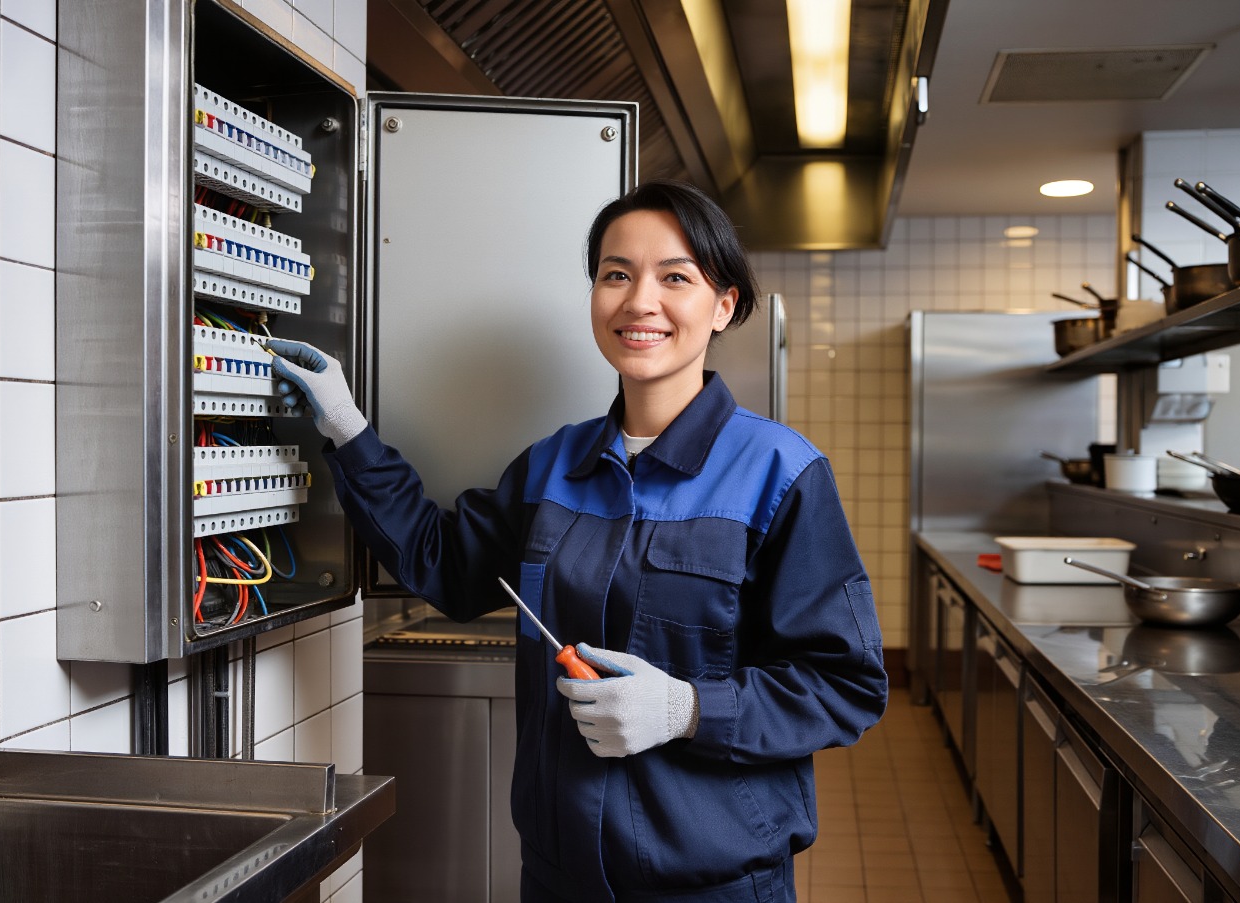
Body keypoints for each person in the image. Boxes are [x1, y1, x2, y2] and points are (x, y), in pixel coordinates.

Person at [268, 180, 887, 903]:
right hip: (559, 875)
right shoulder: (550, 466)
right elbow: (444, 563)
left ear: (723, 305)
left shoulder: (782, 474)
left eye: (675, 277)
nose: (639, 301)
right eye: (615, 274)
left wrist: (685, 708)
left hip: (712, 884)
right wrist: (348, 430)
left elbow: (845, 684)